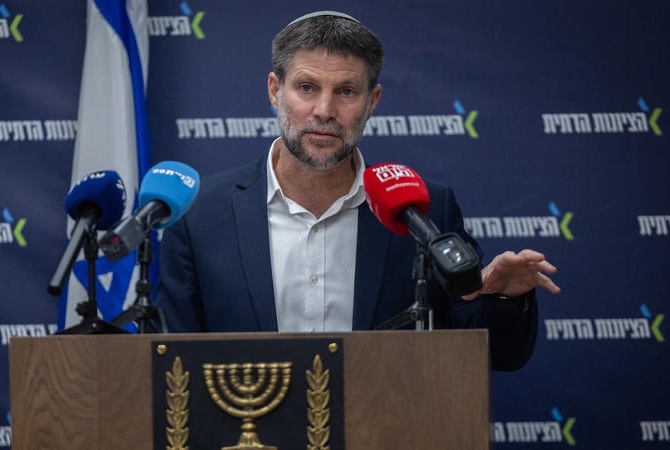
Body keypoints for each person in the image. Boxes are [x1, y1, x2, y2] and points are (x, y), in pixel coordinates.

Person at [154, 11, 560, 371]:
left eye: (346, 91)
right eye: (307, 87)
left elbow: (493, 356)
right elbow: (170, 360)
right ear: (275, 91)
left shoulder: (425, 210)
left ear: (372, 101)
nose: (324, 111)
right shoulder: (201, 213)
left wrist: (504, 299)